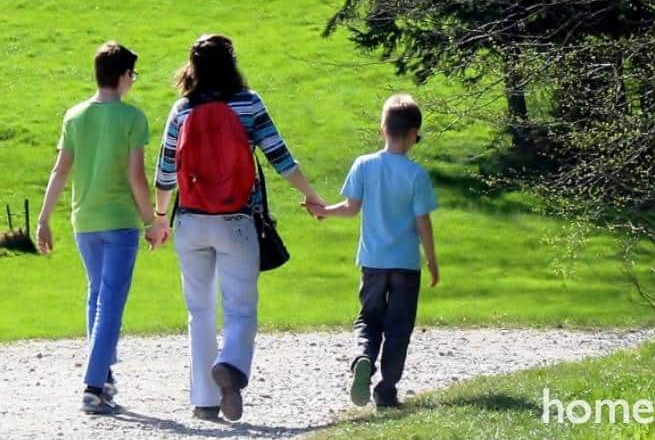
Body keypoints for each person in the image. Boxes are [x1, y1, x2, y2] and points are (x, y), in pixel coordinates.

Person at [147, 34, 324, 422]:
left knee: (199, 312)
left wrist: (160, 218)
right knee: (241, 308)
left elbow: (164, 172)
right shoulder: (249, 103)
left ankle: (205, 400)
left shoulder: (182, 110)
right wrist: (312, 197)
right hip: (237, 219)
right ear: (232, 63)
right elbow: (280, 156)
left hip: (191, 221)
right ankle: (230, 366)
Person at [35, 41, 154, 415]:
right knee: (111, 302)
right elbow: (136, 176)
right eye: (131, 75)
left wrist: (43, 219)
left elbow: (60, 170)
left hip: (83, 220)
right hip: (119, 221)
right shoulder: (133, 119)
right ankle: (93, 384)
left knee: (96, 295)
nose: (132, 81)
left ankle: (102, 377)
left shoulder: (75, 116)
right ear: (122, 76)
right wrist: (151, 220)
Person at [304, 93, 440, 408]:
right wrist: (431, 261)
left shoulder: (364, 165)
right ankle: (387, 389)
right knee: (399, 326)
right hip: (406, 265)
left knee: (369, 318)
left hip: (372, 263)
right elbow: (423, 223)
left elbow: (351, 208)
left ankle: (363, 356)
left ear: (382, 130)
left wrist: (323, 210)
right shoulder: (416, 174)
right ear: (411, 135)